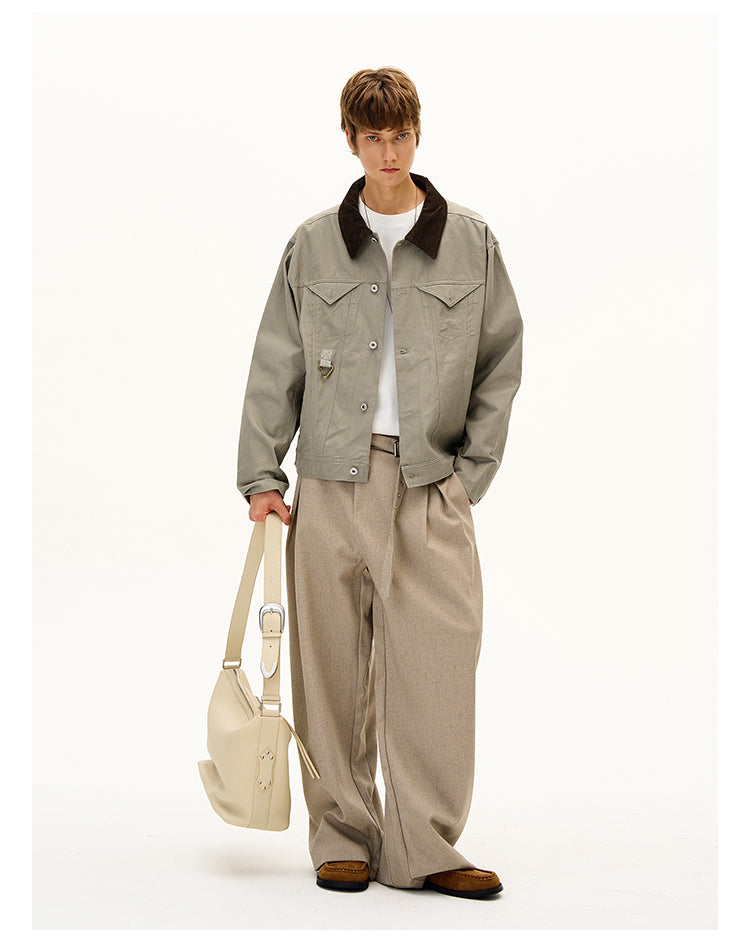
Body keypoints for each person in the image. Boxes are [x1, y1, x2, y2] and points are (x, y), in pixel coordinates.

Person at [236, 67, 523, 899]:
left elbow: (500, 363)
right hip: (331, 480)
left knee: (437, 667)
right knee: (330, 669)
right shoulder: (313, 243)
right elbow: (276, 363)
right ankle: (342, 835)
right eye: (373, 137)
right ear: (351, 141)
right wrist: (262, 474)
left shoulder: (469, 240)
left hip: (431, 482)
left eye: (400, 135)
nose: (388, 151)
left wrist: (469, 477)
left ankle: (426, 845)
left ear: (417, 135)